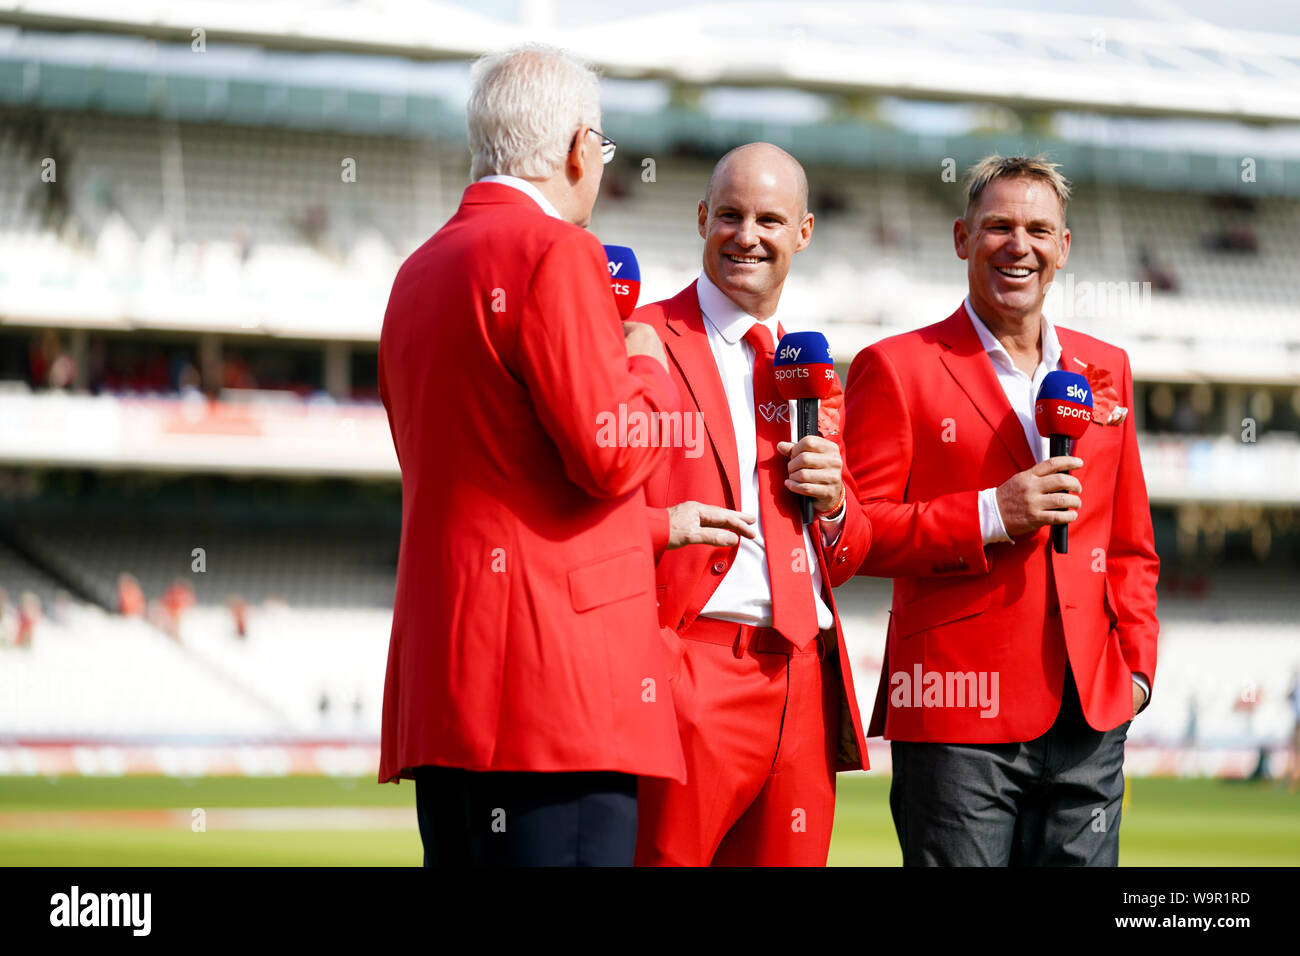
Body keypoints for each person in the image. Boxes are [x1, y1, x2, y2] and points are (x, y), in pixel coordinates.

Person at [377, 44, 737, 867]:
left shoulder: (416, 271)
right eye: (602, 149)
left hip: (447, 677)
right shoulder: (556, 252)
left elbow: (490, 477)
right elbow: (609, 454)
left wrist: (658, 526)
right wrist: (644, 359)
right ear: (579, 148)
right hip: (554, 689)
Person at [842, 155, 1160, 866]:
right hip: (957, 717)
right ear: (962, 238)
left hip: (1091, 712)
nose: (1020, 245)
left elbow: (1132, 542)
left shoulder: (1106, 367)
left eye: (1039, 229)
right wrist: (992, 512)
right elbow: (854, 534)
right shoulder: (896, 366)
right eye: (999, 227)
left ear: (1064, 247)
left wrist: (1136, 670)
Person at [633, 143, 872, 866]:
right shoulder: (641, 336)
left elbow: (852, 549)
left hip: (806, 677)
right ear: (702, 217)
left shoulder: (812, 371)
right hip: (690, 669)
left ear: (802, 233)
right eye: (730, 215)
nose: (747, 235)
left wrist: (833, 505)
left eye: (770, 219)